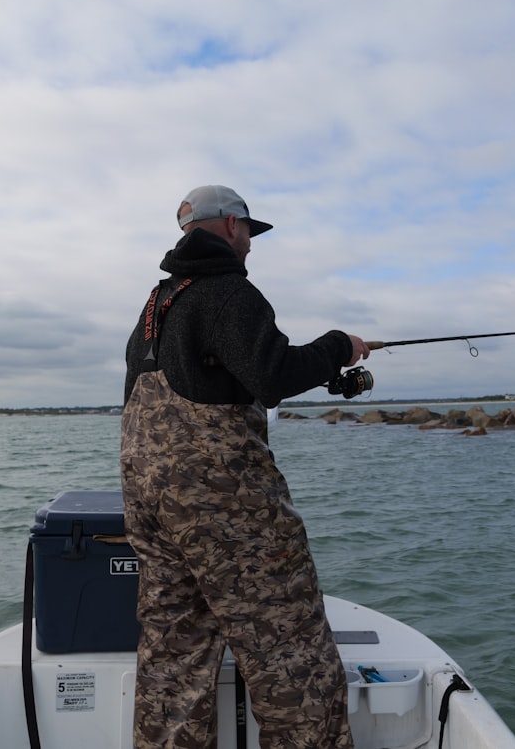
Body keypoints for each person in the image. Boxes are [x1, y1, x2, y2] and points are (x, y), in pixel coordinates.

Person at [120, 185, 368, 749]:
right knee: (289, 650)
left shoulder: (156, 308)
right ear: (232, 225)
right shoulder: (228, 292)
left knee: (172, 651)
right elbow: (274, 374)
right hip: (223, 508)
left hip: (150, 505)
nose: (251, 246)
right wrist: (338, 345)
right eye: (249, 234)